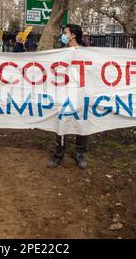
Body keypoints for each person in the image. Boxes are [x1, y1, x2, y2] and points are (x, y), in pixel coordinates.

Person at [46, 23, 88, 170]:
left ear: (73, 35)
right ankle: (58, 155)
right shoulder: (61, 52)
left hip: (81, 93)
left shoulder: (85, 52)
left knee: (81, 123)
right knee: (62, 122)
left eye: (65, 32)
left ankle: (80, 154)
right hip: (63, 92)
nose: (63, 35)